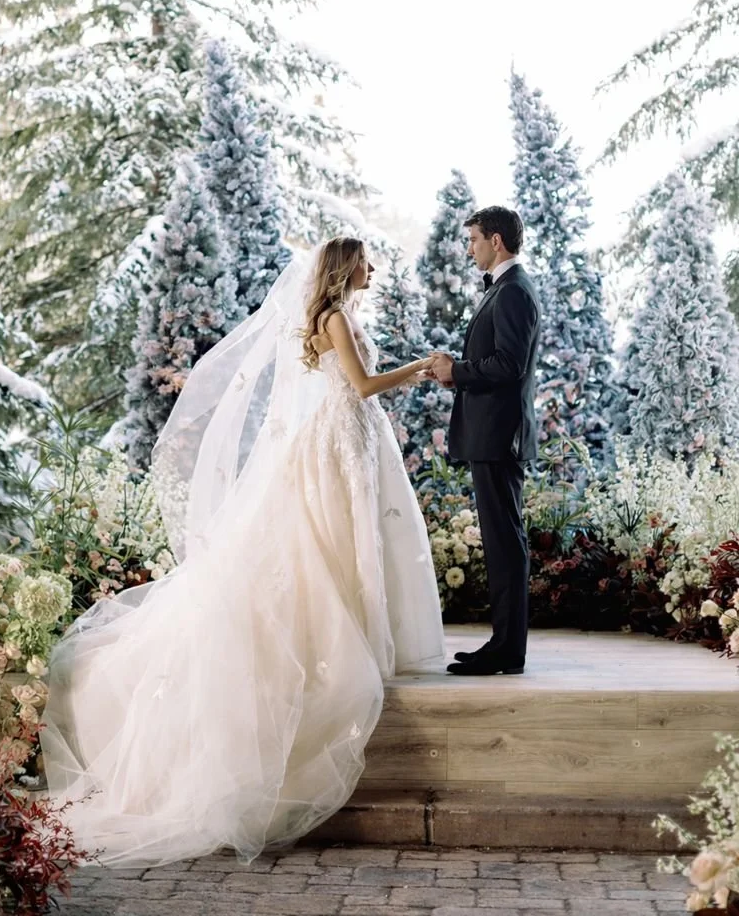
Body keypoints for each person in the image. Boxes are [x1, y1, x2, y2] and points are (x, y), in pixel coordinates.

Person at [40, 237, 445, 868]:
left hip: (347, 437)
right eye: (366, 261)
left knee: (345, 539)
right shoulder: (336, 318)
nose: (373, 269)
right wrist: (421, 367)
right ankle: (343, 639)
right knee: (330, 541)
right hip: (340, 438)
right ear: (346, 267)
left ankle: (361, 629)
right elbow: (363, 386)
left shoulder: (335, 315)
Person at [428, 207, 540, 677]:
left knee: (505, 543)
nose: (468, 248)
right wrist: (456, 370)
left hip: (498, 436)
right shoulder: (505, 288)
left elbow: (509, 365)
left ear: (496, 241)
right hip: (492, 435)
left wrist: (457, 371)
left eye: (473, 239)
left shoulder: (513, 291)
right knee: (502, 542)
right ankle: (504, 646)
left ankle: (506, 650)